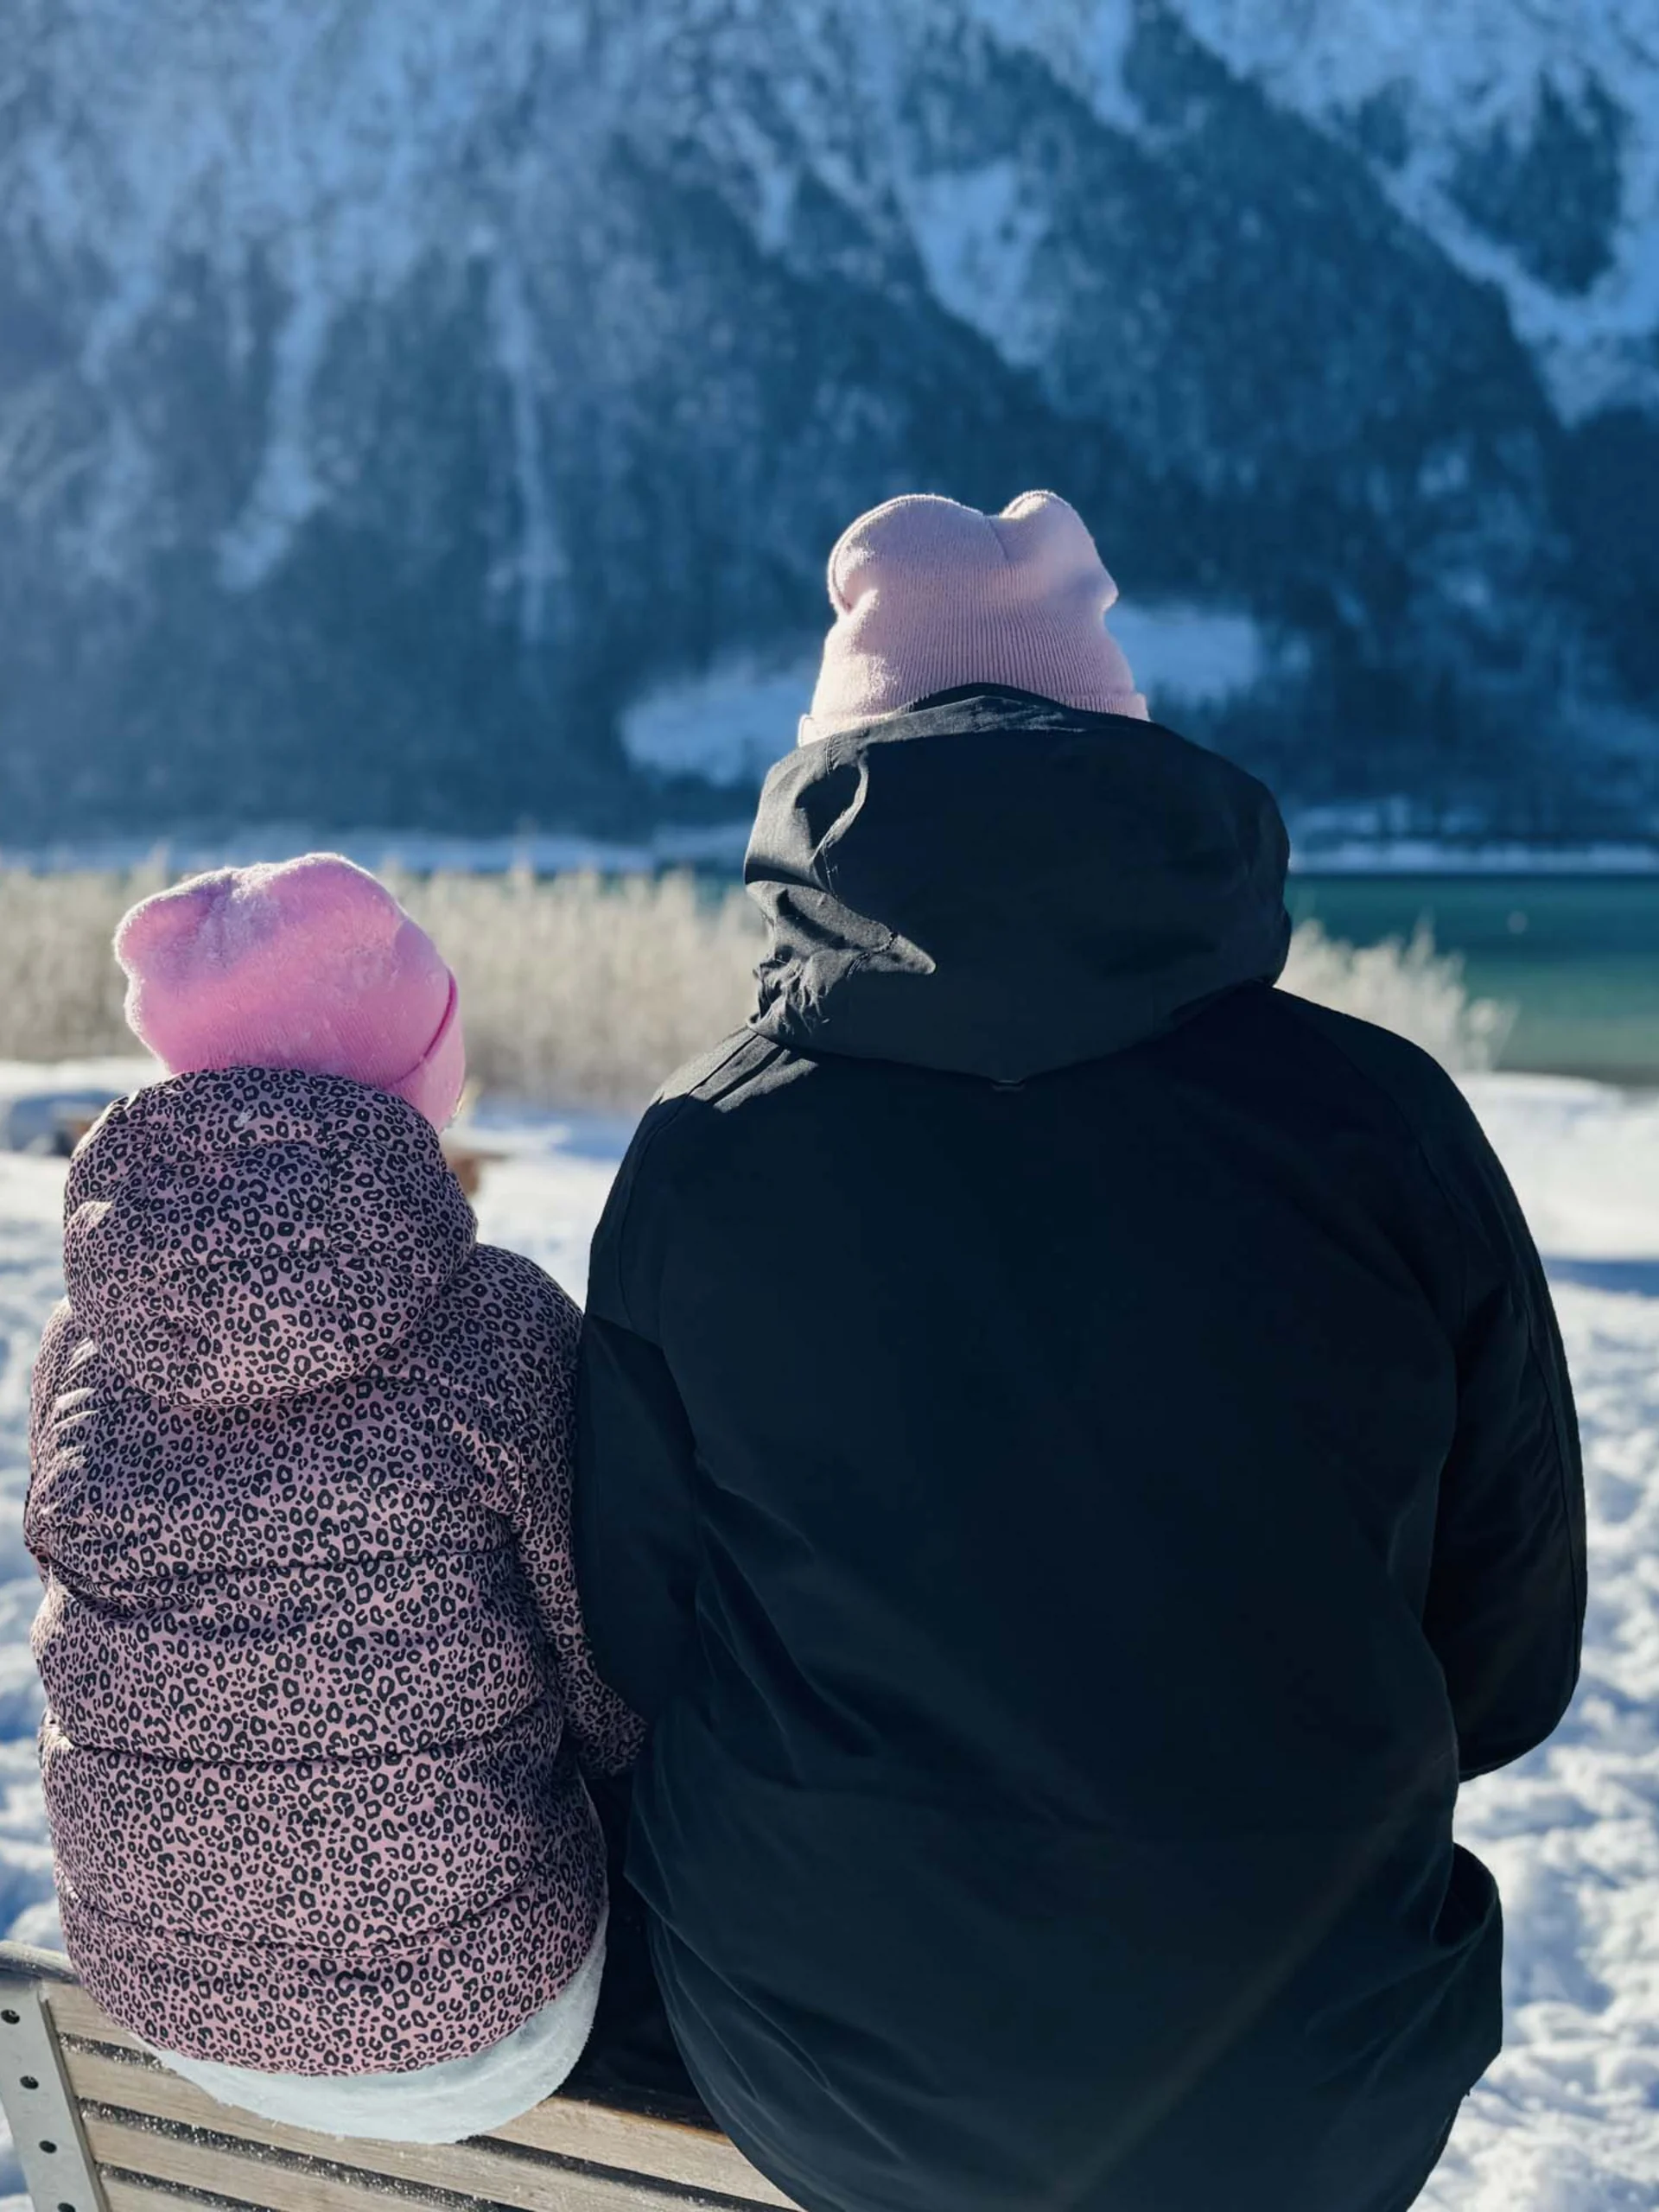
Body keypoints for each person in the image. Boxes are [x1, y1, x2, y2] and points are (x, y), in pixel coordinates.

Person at [572, 491, 1586, 2212]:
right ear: (1134, 764)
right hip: (1309, 2073)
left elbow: (638, 1636)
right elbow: (1502, 1664)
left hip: (832, 2077)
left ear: (830, 789)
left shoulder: (712, 1150)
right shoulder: (1383, 1124)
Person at [27, 855, 640, 2142]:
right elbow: (608, 1676)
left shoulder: (86, 1344)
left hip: (168, 2004)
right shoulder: (504, 1329)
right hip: (486, 2028)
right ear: (416, 1077)